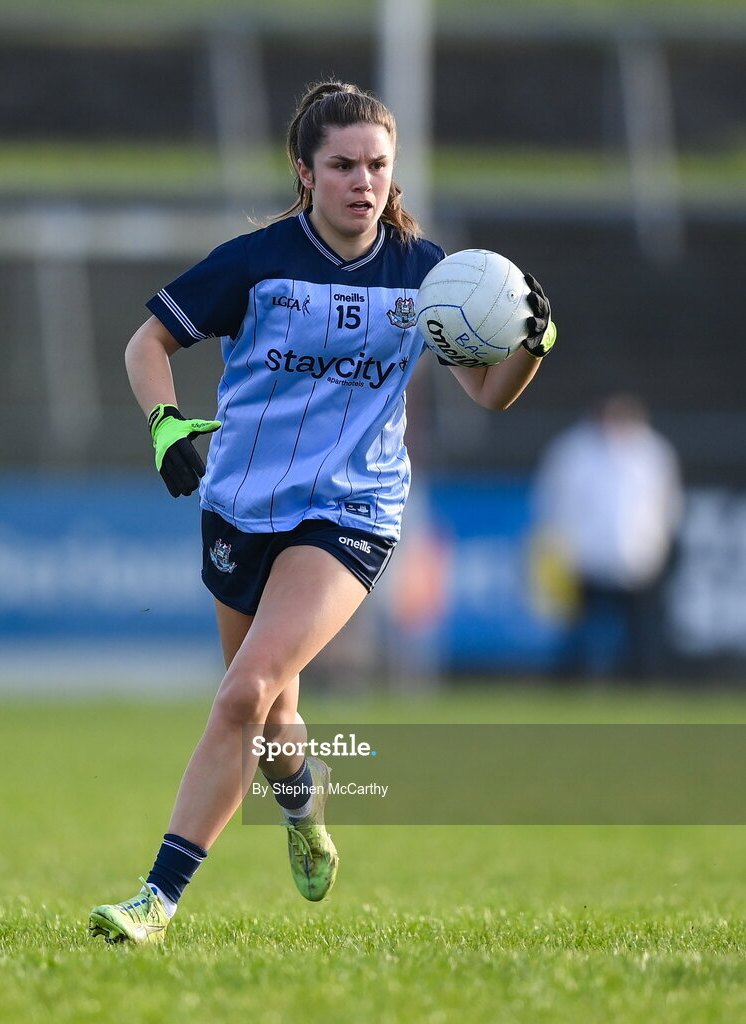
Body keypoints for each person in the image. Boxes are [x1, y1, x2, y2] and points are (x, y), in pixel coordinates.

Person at [88, 80, 557, 944]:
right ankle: (302, 812)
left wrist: (529, 341)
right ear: (304, 172)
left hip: (350, 512)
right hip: (239, 504)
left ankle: (155, 902)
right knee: (270, 716)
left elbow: (491, 394)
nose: (362, 182)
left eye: (377, 165)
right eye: (342, 165)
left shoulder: (434, 277)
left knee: (244, 692)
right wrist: (165, 425)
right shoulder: (257, 260)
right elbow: (146, 341)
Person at [533, 394, 682, 679]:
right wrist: (563, 549)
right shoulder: (573, 451)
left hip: (637, 559)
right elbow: (553, 501)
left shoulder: (652, 451)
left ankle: (641, 687)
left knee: (642, 634)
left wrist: (657, 545)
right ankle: (570, 688)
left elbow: (666, 503)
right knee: (577, 632)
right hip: (584, 559)